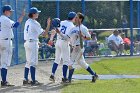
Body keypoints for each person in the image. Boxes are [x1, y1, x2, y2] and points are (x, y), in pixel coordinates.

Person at [55, 12, 98, 83]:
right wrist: (59, 33)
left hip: (79, 47)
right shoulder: (73, 28)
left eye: (77, 17)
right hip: (74, 48)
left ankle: (68, 79)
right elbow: (66, 37)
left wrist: (82, 36)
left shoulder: (83, 28)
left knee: (71, 63)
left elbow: (89, 37)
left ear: (80, 19)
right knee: (82, 63)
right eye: (75, 17)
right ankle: (94, 74)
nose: (75, 18)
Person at [23, 7, 51, 86]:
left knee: (28, 62)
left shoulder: (27, 21)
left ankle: (25, 79)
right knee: (33, 62)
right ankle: (33, 80)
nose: (38, 14)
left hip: (27, 43)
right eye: (37, 13)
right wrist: (48, 25)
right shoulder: (35, 23)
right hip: (32, 44)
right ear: (33, 14)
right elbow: (44, 34)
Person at [0, 5, 25, 86]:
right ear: (5, 11)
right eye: (9, 11)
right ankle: (4, 81)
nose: (10, 12)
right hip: (6, 41)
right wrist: (22, 16)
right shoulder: (5, 19)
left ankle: (3, 80)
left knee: (2, 62)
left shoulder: (1, 18)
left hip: (1, 40)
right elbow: (16, 25)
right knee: (5, 62)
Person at [49, 12, 76, 83]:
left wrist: (51, 39)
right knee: (66, 61)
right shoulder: (72, 26)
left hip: (58, 42)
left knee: (57, 59)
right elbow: (68, 37)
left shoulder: (62, 22)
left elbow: (55, 30)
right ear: (73, 18)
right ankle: (64, 78)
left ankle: (52, 75)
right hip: (64, 42)